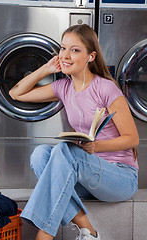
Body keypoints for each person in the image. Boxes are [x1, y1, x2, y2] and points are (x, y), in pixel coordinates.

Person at [9, 24, 139, 240]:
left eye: (75, 50)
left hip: (120, 178)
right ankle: (89, 232)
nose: (66, 55)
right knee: (40, 154)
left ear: (91, 56)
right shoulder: (63, 87)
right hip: (87, 177)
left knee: (64, 150)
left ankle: (43, 236)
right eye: (63, 48)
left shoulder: (105, 88)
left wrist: (96, 146)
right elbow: (16, 94)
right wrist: (47, 69)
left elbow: (132, 138)